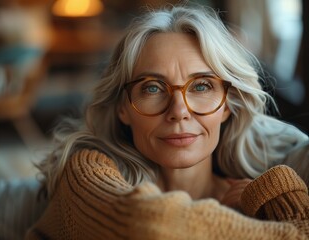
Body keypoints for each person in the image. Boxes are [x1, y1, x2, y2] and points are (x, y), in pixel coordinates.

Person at [25, 3, 309, 239]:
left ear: (227, 104)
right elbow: (153, 226)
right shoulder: (86, 170)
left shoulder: (251, 199)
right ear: (123, 106)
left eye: (200, 86)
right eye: (152, 88)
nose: (179, 111)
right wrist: (279, 197)